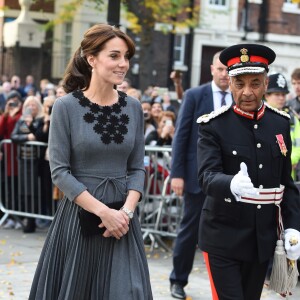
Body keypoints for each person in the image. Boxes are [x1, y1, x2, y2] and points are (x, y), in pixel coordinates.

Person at [29, 24, 153, 300]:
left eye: (126, 57)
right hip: (79, 219)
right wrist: (103, 213)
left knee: (127, 292)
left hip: (123, 221)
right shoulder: (66, 107)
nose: (123, 64)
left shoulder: (133, 107)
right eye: (115, 56)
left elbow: (136, 168)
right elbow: (60, 171)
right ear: (92, 59)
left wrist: (125, 214)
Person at [197, 43, 300, 300]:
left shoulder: (280, 123)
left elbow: (286, 182)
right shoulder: (213, 125)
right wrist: (230, 183)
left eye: (255, 83)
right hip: (224, 235)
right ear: (229, 84)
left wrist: (293, 227)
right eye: (239, 83)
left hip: (262, 238)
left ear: (266, 84)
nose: (247, 92)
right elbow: (206, 176)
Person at [169, 51, 231, 299]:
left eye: (229, 69)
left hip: (229, 180)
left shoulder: (239, 97)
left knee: (227, 234)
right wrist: (177, 173)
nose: (225, 74)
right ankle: (178, 281)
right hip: (197, 178)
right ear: (212, 70)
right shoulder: (195, 96)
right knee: (189, 230)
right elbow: (181, 135)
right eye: (221, 69)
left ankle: (224, 285)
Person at [11, 96, 45, 233]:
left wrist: (31, 126)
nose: (31, 107)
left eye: (34, 104)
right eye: (29, 105)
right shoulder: (21, 121)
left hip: (37, 162)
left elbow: (40, 136)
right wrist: (26, 137)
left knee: (34, 191)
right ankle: (27, 219)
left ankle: (32, 221)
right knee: (24, 191)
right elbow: (14, 137)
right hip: (23, 161)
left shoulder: (40, 120)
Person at [264, 73, 300, 181]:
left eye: (283, 94)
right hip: (266, 174)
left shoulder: (291, 117)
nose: (281, 98)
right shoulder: (259, 116)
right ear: (266, 95)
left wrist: (290, 160)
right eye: (277, 94)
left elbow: (298, 144)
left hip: (288, 174)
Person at [0, 91, 23, 229]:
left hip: (19, 154)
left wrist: (15, 113)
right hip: (8, 154)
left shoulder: (22, 113)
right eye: (10, 100)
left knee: (18, 187)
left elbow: (21, 128)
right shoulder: (7, 114)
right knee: (8, 186)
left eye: (15, 100)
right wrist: (7, 113)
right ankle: (10, 215)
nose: (13, 102)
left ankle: (18, 216)